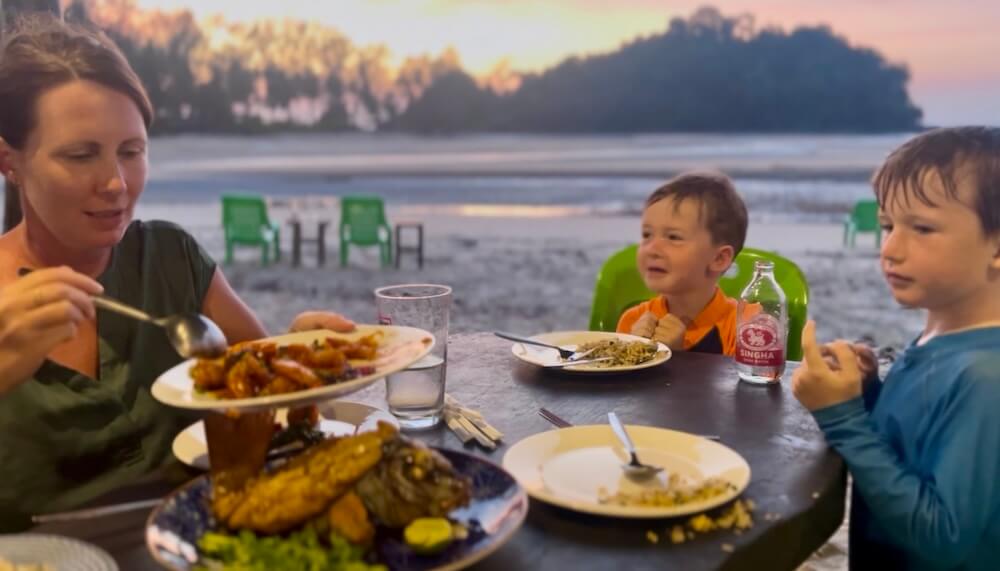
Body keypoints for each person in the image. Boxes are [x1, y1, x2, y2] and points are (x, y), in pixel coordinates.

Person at [0, 16, 352, 528]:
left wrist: (302, 355)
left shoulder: (170, 257)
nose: (116, 184)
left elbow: (266, 396)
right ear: (9, 161)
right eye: (80, 155)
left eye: (131, 151)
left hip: (201, 542)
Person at [792, 127, 1000, 569]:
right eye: (888, 225)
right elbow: (913, 445)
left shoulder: (986, 377)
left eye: (922, 228)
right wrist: (867, 393)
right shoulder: (943, 337)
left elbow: (943, 536)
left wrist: (842, 418)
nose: (890, 248)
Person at [616, 172, 748, 355]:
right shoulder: (633, 322)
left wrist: (678, 358)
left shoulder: (745, 326)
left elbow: (747, 383)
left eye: (673, 237)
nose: (652, 249)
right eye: (647, 235)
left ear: (719, 259)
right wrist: (635, 350)